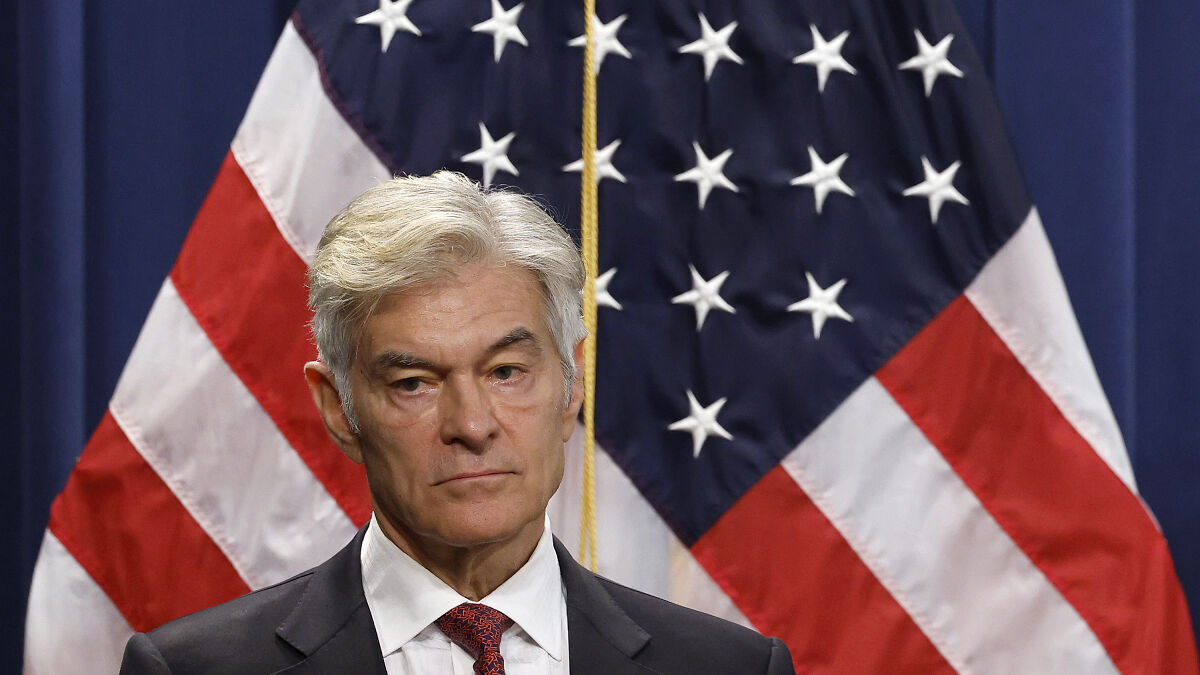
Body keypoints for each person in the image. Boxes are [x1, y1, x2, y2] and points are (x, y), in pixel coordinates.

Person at [119, 171, 795, 674]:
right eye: (414, 382)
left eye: (507, 372)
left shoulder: (730, 668)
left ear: (572, 382)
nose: (473, 424)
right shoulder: (192, 671)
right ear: (339, 410)